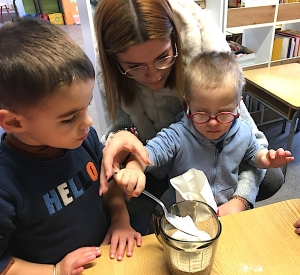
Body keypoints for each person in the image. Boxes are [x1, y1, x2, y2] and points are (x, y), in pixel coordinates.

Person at [94, 0, 284, 233]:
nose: (153, 76)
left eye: (162, 57)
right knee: (136, 208)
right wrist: (127, 150)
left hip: (219, 179)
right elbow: (149, 147)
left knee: (272, 175)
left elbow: (255, 148)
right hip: (166, 170)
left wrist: (241, 200)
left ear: (176, 41)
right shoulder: (177, 131)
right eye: (135, 66)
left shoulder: (208, 63)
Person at [0, 18, 142, 275]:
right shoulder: (5, 184)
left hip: (108, 261)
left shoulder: (82, 139)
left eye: (86, 107)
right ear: (13, 121)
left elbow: (107, 184)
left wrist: (120, 220)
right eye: (68, 118)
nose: (88, 122)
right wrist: (54, 271)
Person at [114, 51, 294, 215]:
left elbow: (254, 154)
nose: (213, 122)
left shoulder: (243, 131)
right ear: (188, 105)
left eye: (223, 113)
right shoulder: (178, 134)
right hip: (183, 211)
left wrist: (266, 159)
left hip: (224, 209)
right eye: (201, 114)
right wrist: (134, 168)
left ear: (238, 105)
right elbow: (151, 151)